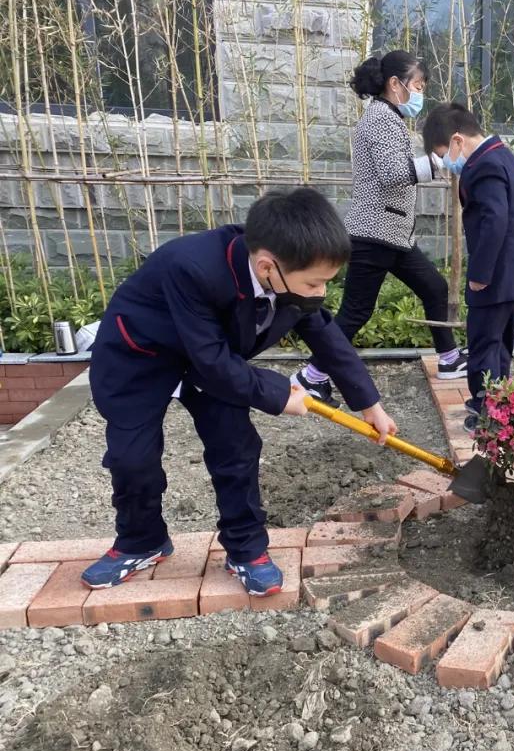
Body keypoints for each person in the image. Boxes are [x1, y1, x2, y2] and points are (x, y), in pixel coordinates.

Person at [82, 188, 398, 595]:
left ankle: (246, 548)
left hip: (211, 359)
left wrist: (368, 402)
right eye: (315, 283)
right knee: (132, 458)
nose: (320, 293)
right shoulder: (192, 267)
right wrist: (280, 393)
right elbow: (212, 360)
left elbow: (324, 334)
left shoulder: (288, 277)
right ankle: (141, 541)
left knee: (236, 448)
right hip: (141, 356)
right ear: (268, 266)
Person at [293, 50, 466, 407]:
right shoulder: (380, 119)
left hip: (393, 234)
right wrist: (439, 161)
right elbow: (391, 173)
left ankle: (449, 360)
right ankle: (311, 377)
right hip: (374, 234)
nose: (419, 94)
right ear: (395, 84)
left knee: (433, 288)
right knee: (356, 312)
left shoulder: (388, 117)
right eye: (417, 86)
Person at [421, 102, 514, 433]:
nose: (447, 163)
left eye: (444, 154)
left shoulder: (484, 165)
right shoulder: (506, 157)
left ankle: (487, 412)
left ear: (457, 140)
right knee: (500, 346)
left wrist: (480, 275)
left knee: (484, 345)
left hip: (495, 277)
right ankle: (499, 403)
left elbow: (494, 221)